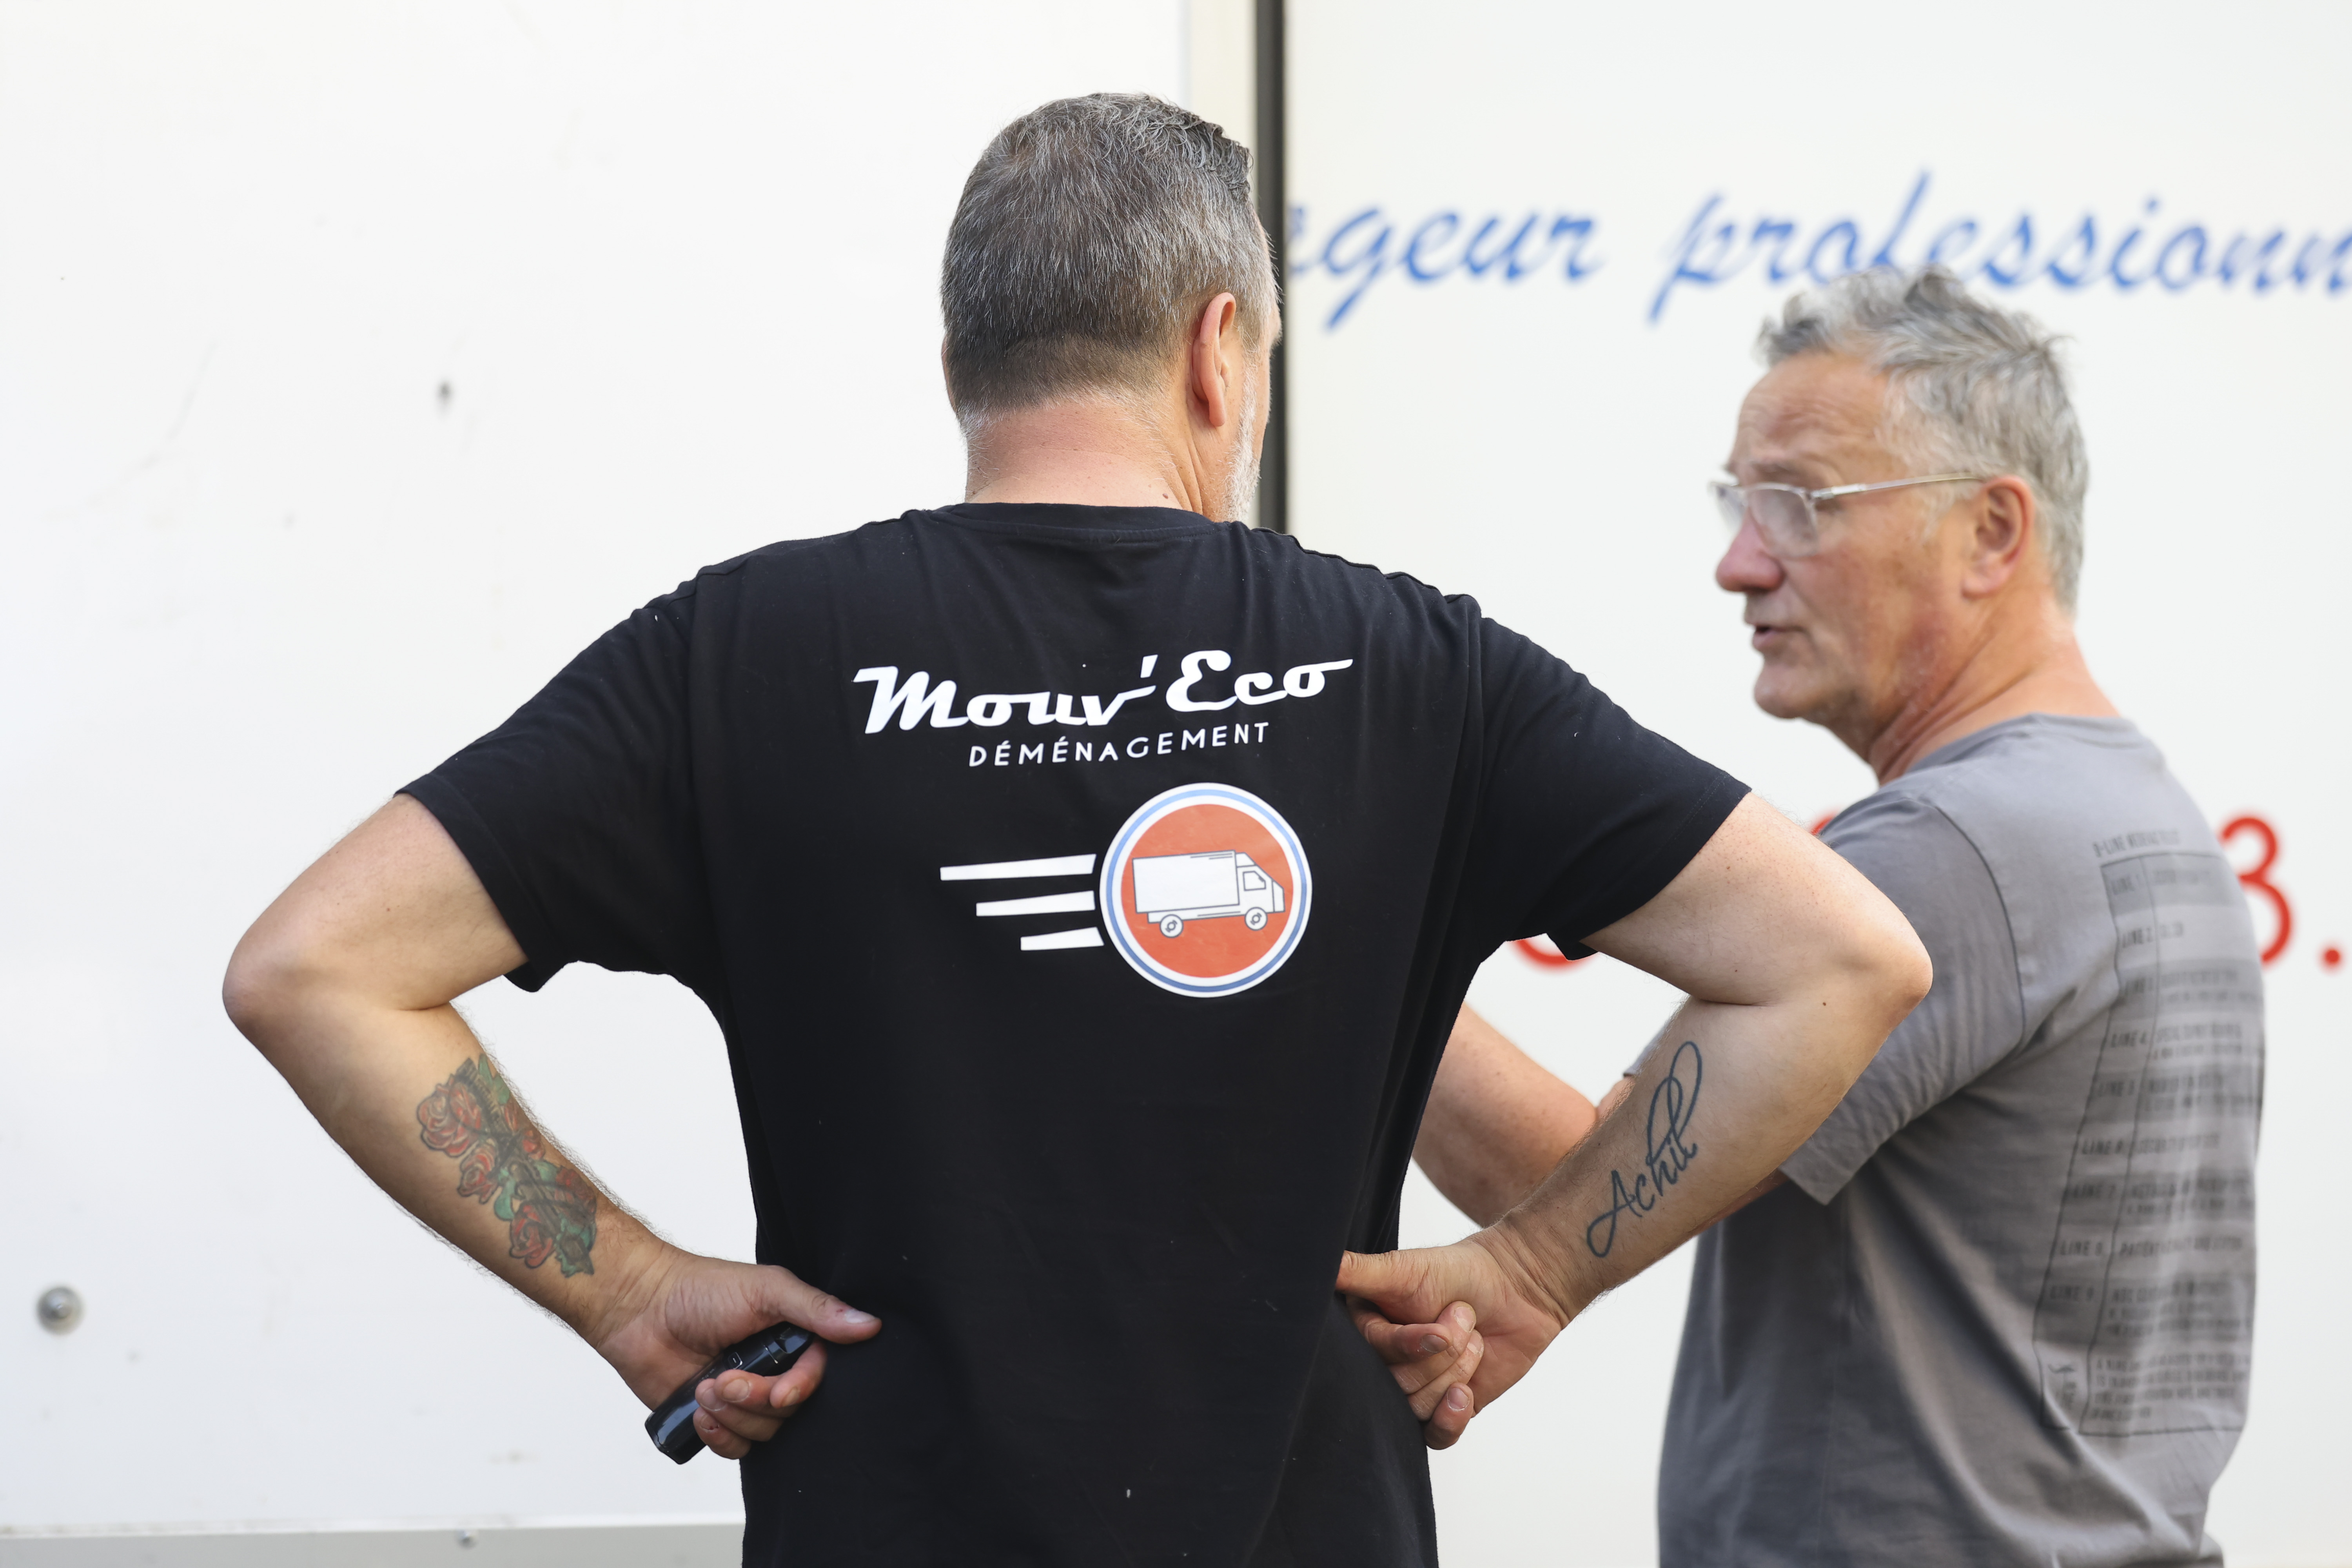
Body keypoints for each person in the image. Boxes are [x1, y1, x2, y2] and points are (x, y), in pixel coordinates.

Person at [222, 94, 1928, 1566]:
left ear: (963, 365)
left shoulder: (743, 656)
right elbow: (1839, 962)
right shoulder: (1415, 668)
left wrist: (620, 1286)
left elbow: (316, 968)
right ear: (1216, 351)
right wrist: (1538, 1271)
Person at [1361, 267, 2264, 1567]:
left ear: (1992, 532)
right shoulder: (2135, 807)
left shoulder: (1960, 845)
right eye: (1739, 501)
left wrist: (1330, 941)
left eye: (1802, 502)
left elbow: (1562, 1187)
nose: (1740, 562)